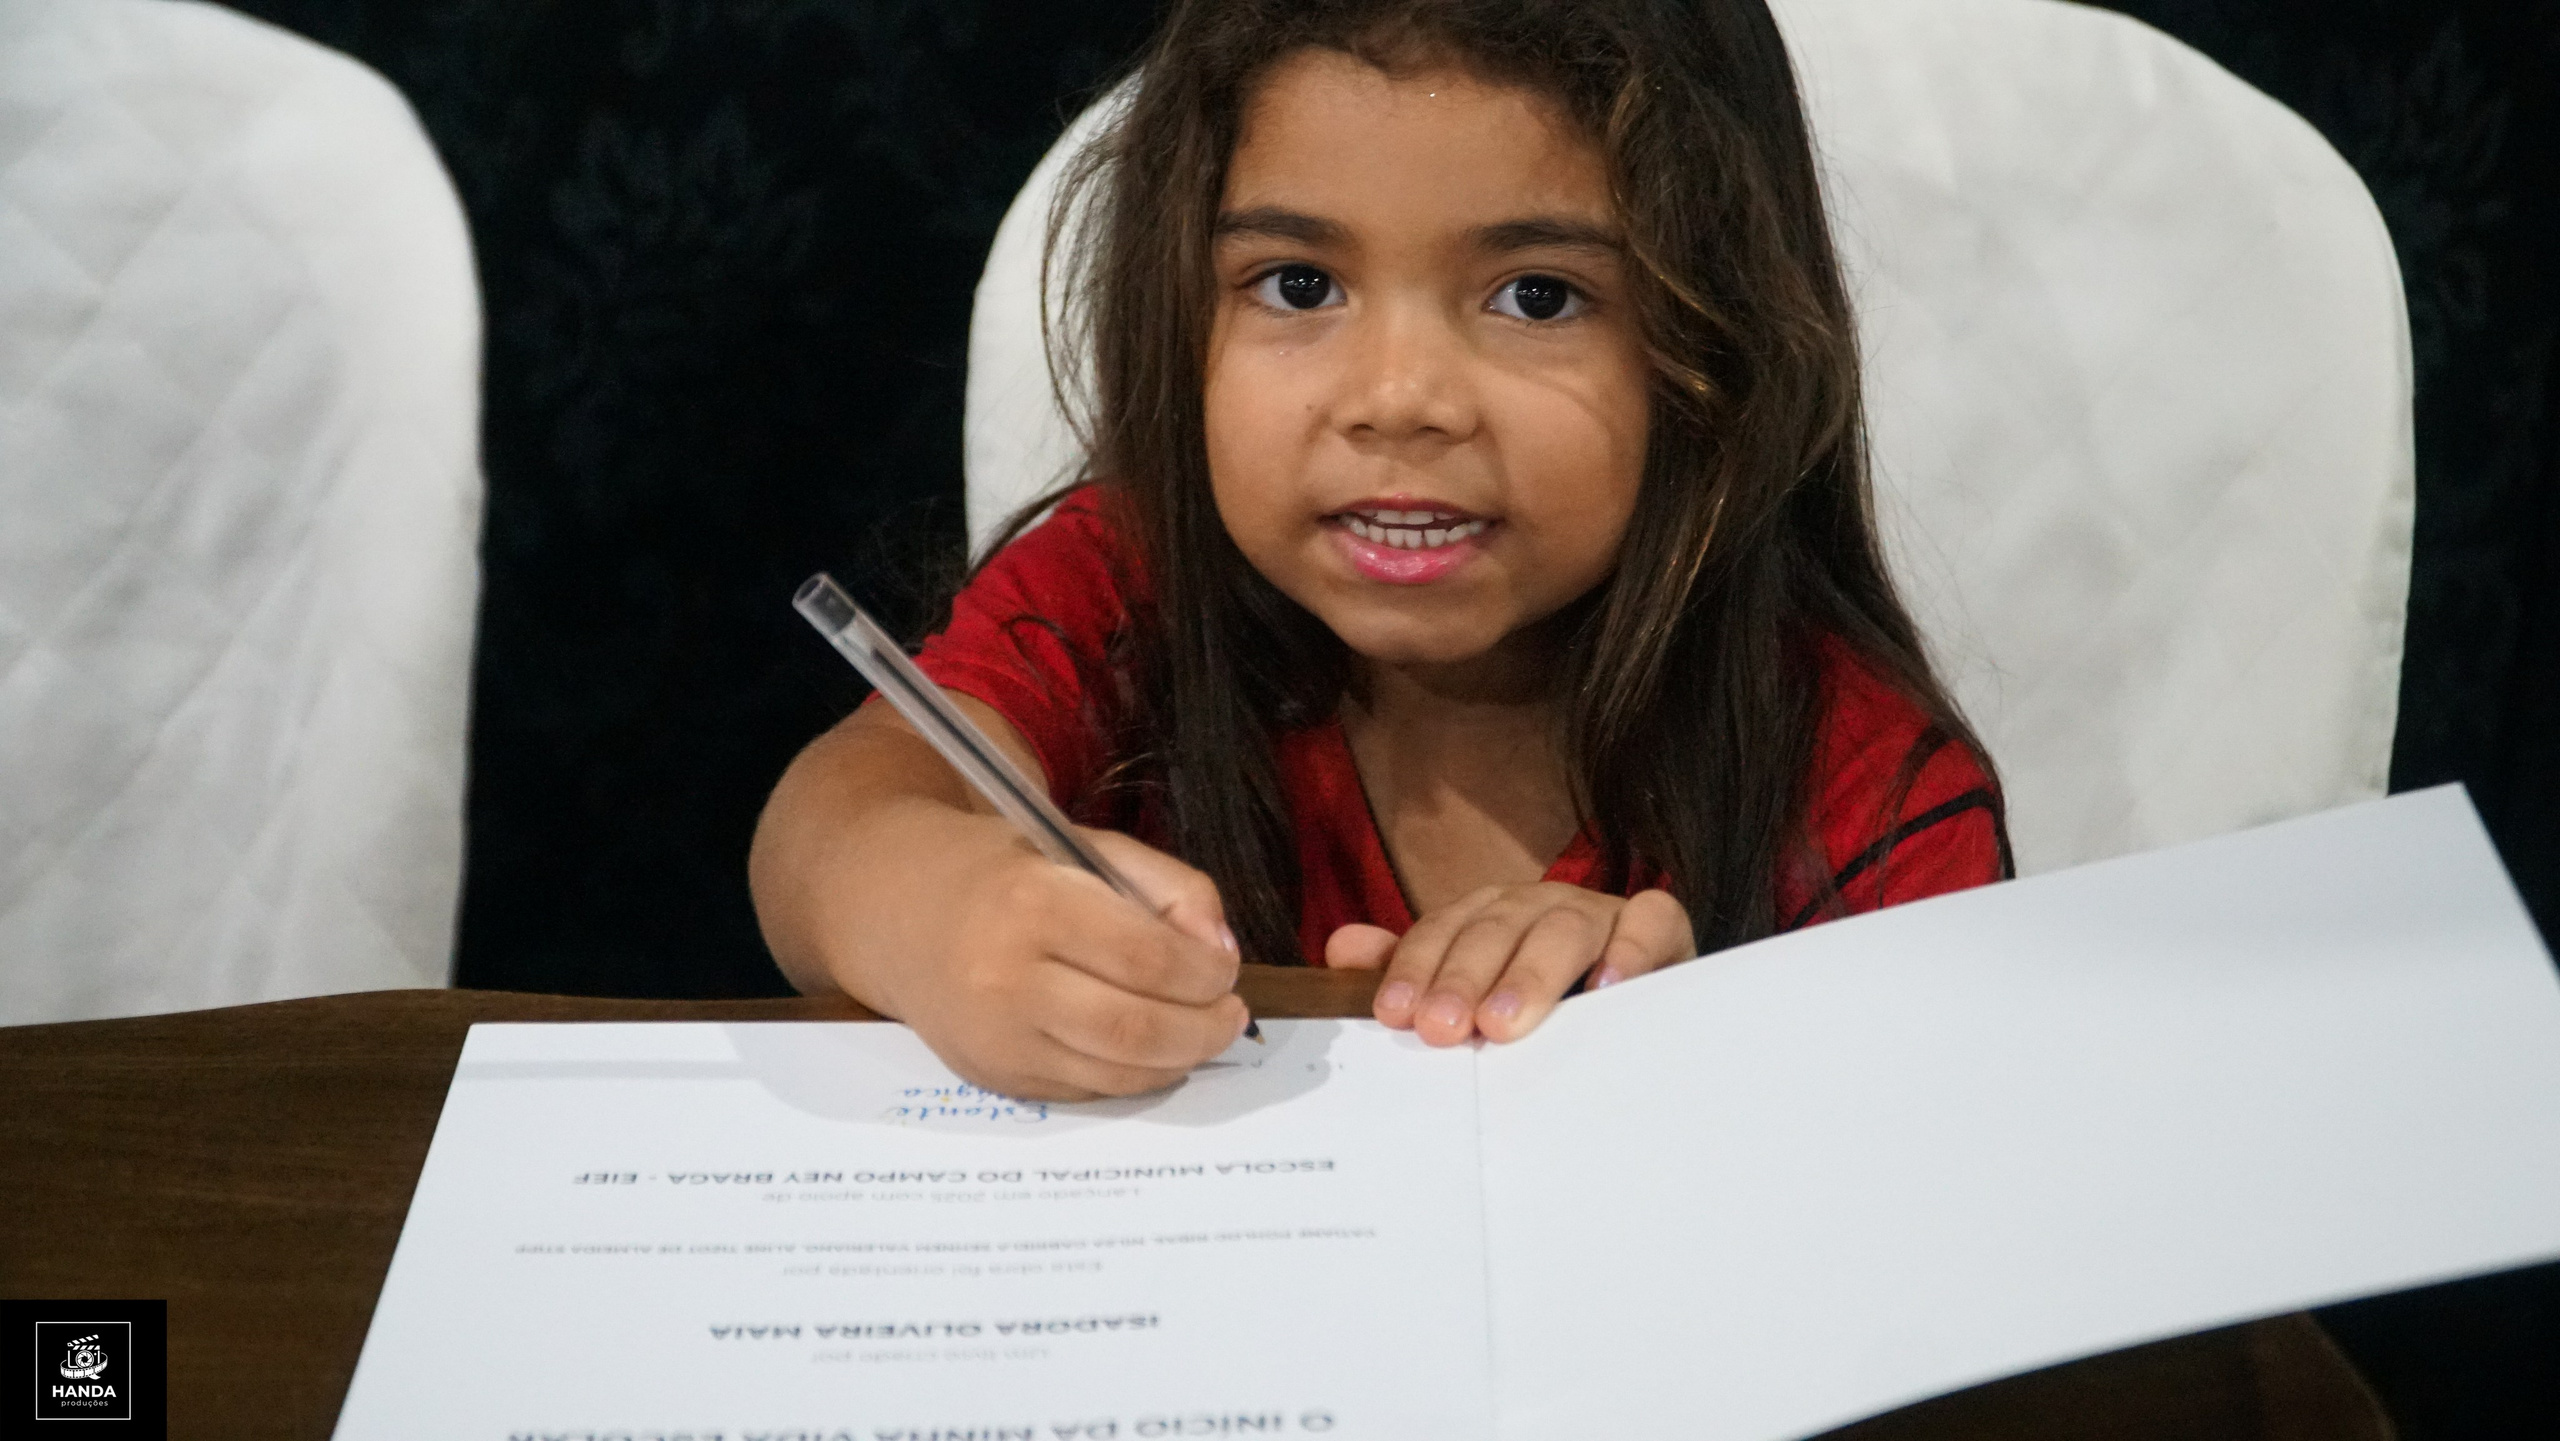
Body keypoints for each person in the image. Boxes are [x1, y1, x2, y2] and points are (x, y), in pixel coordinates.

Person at [750, 0, 2009, 1101]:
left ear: (1715, 353)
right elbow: (830, 819)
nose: (1399, 398)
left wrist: (1694, 1054)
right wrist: (941, 908)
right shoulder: (1129, 584)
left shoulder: (1865, 779)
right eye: (1298, 285)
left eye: (1536, 295)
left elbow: (1936, 1189)